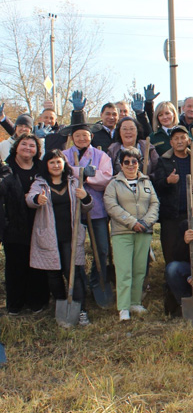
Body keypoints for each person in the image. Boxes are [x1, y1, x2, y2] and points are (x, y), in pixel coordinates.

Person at [26, 150, 94, 325]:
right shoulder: (40, 184)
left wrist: (85, 197)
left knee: (75, 273)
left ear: (64, 164)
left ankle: (80, 310)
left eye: (58, 162)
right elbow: (29, 199)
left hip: (70, 236)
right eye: (52, 163)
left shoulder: (73, 182)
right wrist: (37, 199)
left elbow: (87, 206)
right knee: (53, 274)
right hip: (49, 236)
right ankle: (61, 304)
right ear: (46, 166)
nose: (56, 166)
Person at [62, 110, 114, 298]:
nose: (82, 138)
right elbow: (62, 174)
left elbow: (106, 178)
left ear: (91, 136)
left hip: (96, 209)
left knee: (101, 248)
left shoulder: (101, 156)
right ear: (72, 138)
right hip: (72, 209)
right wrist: (82, 172)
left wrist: (87, 177)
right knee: (75, 249)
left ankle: (97, 280)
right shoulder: (64, 155)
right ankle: (79, 282)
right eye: (78, 136)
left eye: (85, 135)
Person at [104, 147, 159, 321]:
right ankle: (123, 307)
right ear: (121, 164)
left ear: (139, 163)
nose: (130, 165)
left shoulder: (146, 182)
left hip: (144, 231)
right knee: (124, 270)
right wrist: (132, 222)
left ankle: (135, 302)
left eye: (134, 162)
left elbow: (154, 204)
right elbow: (111, 206)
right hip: (122, 232)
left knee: (139, 269)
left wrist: (145, 222)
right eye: (126, 162)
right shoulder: (114, 184)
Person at [0, 134, 46, 314]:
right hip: (13, 223)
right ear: (16, 147)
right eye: (24, 144)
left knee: (37, 263)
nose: (28, 148)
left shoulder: (42, 168)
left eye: (32, 145)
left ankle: (36, 301)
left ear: (37, 150)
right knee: (15, 265)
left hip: (39, 221)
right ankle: (15, 304)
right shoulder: (7, 168)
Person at [154, 126, 193, 261]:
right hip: (171, 215)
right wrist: (167, 181)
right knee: (171, 250)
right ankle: (171, 279)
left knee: (192, 249)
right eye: (176, 139)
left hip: (192, 214)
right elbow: (157, 184)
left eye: (182, 138)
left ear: (188, 141)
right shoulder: (164, 161)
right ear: (171, 142)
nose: (179, 141)